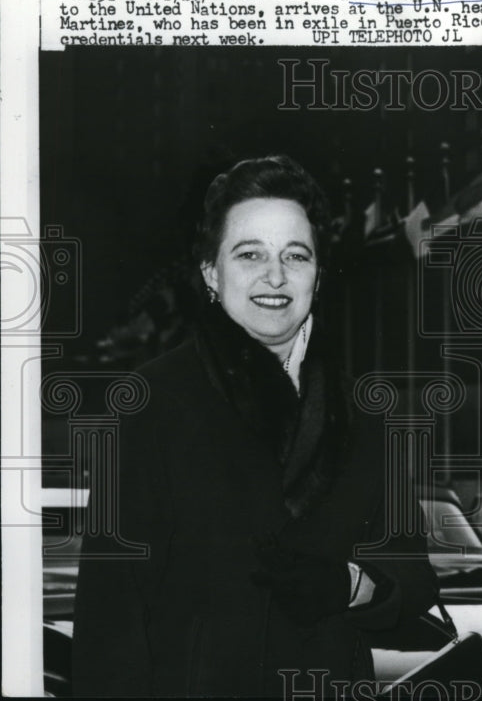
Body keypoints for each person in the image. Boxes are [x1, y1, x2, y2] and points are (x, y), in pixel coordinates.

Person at [72, 155, 438, 697]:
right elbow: (110, 619)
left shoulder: (361, 408)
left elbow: (413, 576)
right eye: (250, 255)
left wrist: (352, 586)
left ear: (318, 274)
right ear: (211, 274)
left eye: (296, 255)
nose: (275, 276)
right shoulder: (150, 401)